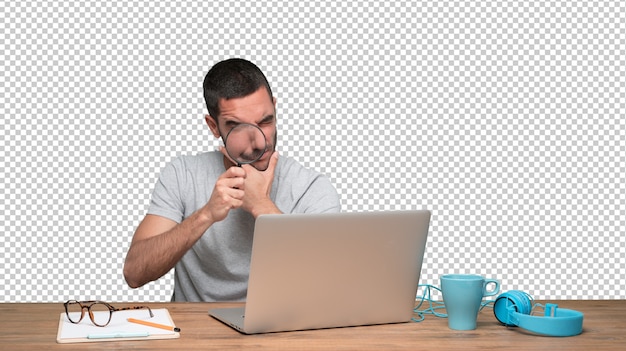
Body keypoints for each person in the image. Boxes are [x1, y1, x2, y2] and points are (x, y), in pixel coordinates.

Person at [123, 58, 342, 301]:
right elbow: (134, 273)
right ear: (213, 127)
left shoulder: (312, 188)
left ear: (275, 109)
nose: (258, 142)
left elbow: (329, 285)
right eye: (238, 127)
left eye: (265, 122)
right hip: (195, 331)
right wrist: (206, 214)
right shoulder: (182, 174)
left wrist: (261, 205)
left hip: (277, 331)